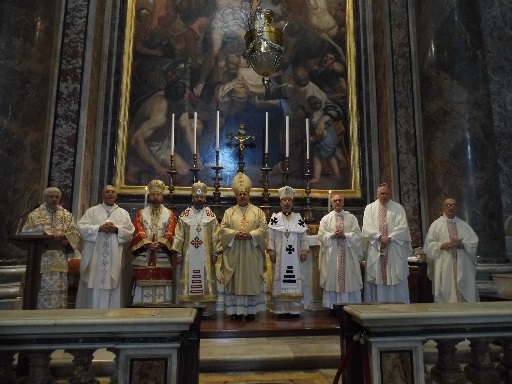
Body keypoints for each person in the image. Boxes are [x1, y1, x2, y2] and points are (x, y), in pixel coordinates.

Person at [21, 187, 82, 309]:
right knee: (40, 295)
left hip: (60, 262)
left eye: (56, 197)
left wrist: (65, 237)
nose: (54, 199)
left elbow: (75, 234)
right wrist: (44, 236)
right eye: (51, 196)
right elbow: (26, 232)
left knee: (59, 296)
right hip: (40, 262)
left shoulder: (67, 215)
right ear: (45, 198)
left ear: (60, 198)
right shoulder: (34, 215)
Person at [76, 185, 135, 309]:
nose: (110, 194)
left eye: (112, 192)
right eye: (107, 192)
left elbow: (130, 233)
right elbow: (82, 228)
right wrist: (99, 228)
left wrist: (116, 229)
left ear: (116, 195)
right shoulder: (92, 211)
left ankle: (112, 315)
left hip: (114, 257)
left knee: (113, 283)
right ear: (102, 195)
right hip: (95, 257)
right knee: (94, 281)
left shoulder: (123, 213)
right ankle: (92, 315)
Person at [220, 172, 268, 321]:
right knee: (235, 281)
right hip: (235, 253)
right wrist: (234, 234)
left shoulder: (258, 212)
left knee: (251, 280)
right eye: (240, 194)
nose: (242, 196)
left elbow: (264, 229)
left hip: (252, 253)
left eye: (245, 194)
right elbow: (222, 229)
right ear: (236, 196)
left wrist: (252, 234)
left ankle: (251, 311)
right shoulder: (229, 212)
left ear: (249, 195)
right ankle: (235, 311)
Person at [172, 181, 222, 315]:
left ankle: (206, 310)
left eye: (201, 197)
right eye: (196, 197)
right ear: (192, 198)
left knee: (205, 277)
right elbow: (179, 235)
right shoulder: (184, 216)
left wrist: (216, 252)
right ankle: (189, 308)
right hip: (188, 255)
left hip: (206, 255)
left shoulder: (210, 216)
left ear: (205, 198)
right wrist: (178, 254)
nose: (199, 199)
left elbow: (215, 235)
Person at [362, 183, 412, 303]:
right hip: (376, 247)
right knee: (377, 276)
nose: (384, 196)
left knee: (395, 274)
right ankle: (376, 306)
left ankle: (399, 306)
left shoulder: (398, 208)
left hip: (394, 246)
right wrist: (379, 237)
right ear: (377, 194)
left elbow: (403, 226)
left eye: (387, 193)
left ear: (390, 194)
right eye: (382, 193)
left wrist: (390, 238)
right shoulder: (369, 208)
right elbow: (367, 226)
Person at [424, 198, 479, 303]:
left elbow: (473, 242)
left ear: (457, 208)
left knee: (464, 287)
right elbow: (428, 246)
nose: (451, 207)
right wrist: (440, 245)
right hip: (444, 263)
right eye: (448, 205)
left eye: (453, 205)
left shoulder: (464, 225)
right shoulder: (436, 224)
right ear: (443, 208)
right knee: (446, 288)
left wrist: (463, 244)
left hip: (463, 264)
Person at [131, 179, 177, 305]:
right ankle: (140, 308)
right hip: (145, 254)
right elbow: (137, 229)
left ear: (162, 196)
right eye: (153, 194)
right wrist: (146, 242)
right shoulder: (141, 213)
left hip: (162, 253)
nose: (155, 196)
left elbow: (171, 229)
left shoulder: (170, 214)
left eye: (158, 194)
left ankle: (164, 307)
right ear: (149, 196)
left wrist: (162, 242)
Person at [267, 186, 309, 318]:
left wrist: (303, 251)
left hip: (295, 258)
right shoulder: (275, 218)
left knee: (294, 280)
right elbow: (271, 237)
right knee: (280, 280)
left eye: (289, 200)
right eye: (284, 200)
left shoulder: (298, 218)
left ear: (292, 203)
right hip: (280, 258)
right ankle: (281, 310)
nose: (286, 202)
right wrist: (272, 252)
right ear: (280, 203)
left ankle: (294, 310)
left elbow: (303, 236)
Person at [317, 194, 363, 311]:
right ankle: (333, 307)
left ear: (343, 203)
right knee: (332, 278)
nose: (337, 202)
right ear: (332, 203)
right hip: (332, 255)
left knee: (349, 278)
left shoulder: (351, 218)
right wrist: (332, 235)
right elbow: (321, 236)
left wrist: (345, 235)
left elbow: (358, 235)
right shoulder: (326, 219)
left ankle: (351, 306)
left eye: (340, 200)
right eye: (335, 201)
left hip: (348, 254)